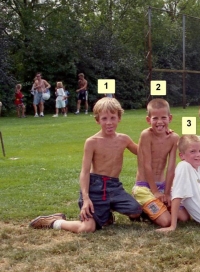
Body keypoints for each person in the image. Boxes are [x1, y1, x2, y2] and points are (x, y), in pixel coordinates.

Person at [29, 98, 142, 232]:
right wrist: (86, 198)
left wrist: (157, 136)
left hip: (114, 187)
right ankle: (54, 221)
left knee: (136, 211)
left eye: (113, 118)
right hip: (95, 187)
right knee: (87, 228)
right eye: (104, 118)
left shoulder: (124, 139)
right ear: (97, 120)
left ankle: (105, 214)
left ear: (119, 118)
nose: (109, 122)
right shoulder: (92, 142)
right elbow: (84, 171)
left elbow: (142, 152)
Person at [132, 99, 180, 229]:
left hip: (162, 186)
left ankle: (153, 206)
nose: (159, 122)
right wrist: (155, 191)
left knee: (183, 215)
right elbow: (146, 164)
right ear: (148, 120)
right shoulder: (146, 135)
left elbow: (171, 168)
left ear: (170, 118)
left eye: (163, 118)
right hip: (144, 187)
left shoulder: (174, 138)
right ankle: (141, 207)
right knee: (166, 221)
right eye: (155, 118)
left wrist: (167, 192)